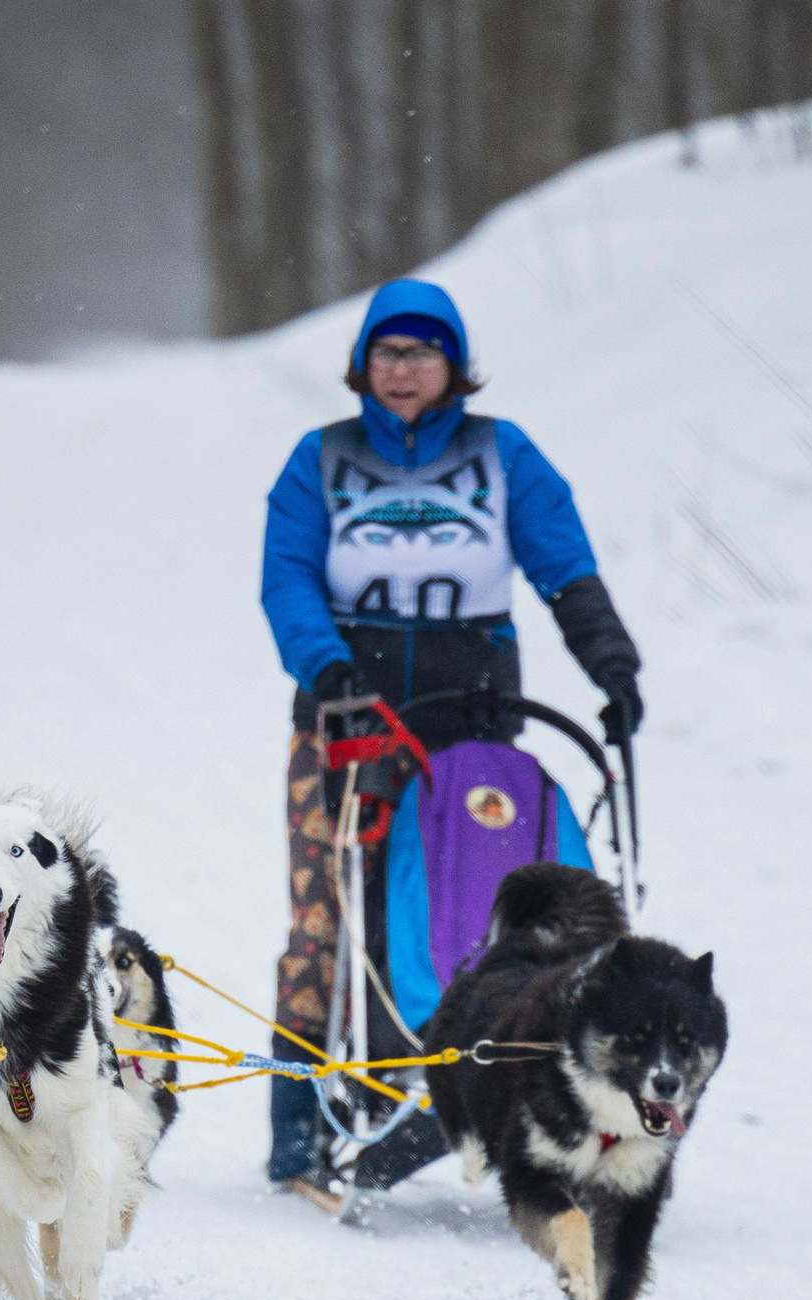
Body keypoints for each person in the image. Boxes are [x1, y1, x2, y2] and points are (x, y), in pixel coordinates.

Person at [257, 278, 643, 1203]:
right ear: (363, 364)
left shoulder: (504, 455)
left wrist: (612, 666)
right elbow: (288, 579)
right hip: (349, 725)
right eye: (387, 352)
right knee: (329, 920)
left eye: (423, 352)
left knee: (480, 916)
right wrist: (327, 666)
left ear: (454, 364)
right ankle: (300, 1129)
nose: (403, 370)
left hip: (472, 729)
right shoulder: (320, 459)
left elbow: (564, 569)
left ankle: (487, 1088)